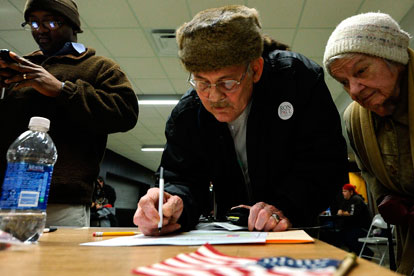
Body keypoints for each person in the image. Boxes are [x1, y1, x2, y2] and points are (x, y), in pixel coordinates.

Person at [134, 5, 348, 236]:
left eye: (228, 83)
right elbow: (182, 177)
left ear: (255, 69)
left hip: (292, 226)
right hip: (231, 231)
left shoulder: (297, 81)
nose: (214, 97)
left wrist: (285, 206)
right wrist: (172, 203)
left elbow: (325, 162)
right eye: (202, 82)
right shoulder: (188, 113)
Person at [323, 12, 414, 275]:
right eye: (343, 82)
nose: (354, 90)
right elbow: (376, 182)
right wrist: (389, 200)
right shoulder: (356, 120)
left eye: (361, 70)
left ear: (395, 58)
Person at [0, 0, 138, 227]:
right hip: (8, 196)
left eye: (51, 22)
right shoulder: (20, 67)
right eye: (33, 23)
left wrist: (61, 89)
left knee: (60, 263)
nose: (41, 30)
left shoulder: (99, 67)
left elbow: (126, 113)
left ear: (74, 25)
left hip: (61, 201)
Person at [336, 184, 372, 256]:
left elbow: (351, 214)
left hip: (362, 227)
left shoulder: (356, 199)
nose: (343, 193)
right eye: (343, 191)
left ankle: (367, 253)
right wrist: (343, 212)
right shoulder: (347, 200)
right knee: (341, 235)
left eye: (345, 191)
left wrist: (343, 212)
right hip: (354, 226)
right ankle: (358, 253)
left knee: (348, 236)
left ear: (351, 192)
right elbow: (340, 211)